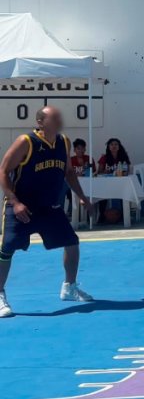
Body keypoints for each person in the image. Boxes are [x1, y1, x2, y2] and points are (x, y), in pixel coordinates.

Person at [0, 107, 95, 318]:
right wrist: (15, 202)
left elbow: (69, 172)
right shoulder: (26, 142)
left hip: (49, 207)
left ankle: (69, 287)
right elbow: (3, 171)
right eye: (54, 118)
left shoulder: (64, 142)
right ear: (41, 122)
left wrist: (82, 196)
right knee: (7, 249)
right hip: (22, 207)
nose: (59, 121)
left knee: (72, 242)